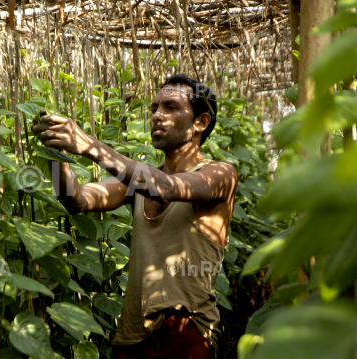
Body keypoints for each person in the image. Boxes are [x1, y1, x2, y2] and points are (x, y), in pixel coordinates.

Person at [32, 74, 237, 359]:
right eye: (154, 108)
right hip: (131, 334)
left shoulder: (221, 173)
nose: (157, 116)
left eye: (171, 107)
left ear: (200, 123)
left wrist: (88, 145)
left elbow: (166, 188)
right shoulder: (137, 185)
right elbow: (75, 200)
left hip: (185, 331)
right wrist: (56, 151)